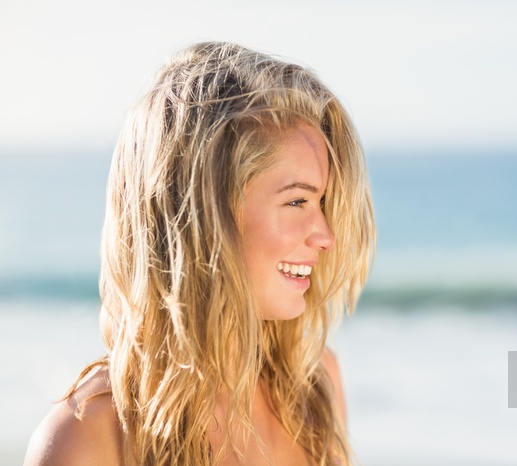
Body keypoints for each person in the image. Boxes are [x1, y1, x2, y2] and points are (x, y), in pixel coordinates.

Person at [24, 41, 375, 466]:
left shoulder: (314, 387)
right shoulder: (91, 436)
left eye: (323, 203)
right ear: (206, 217)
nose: (325, 236)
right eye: (297, 202)